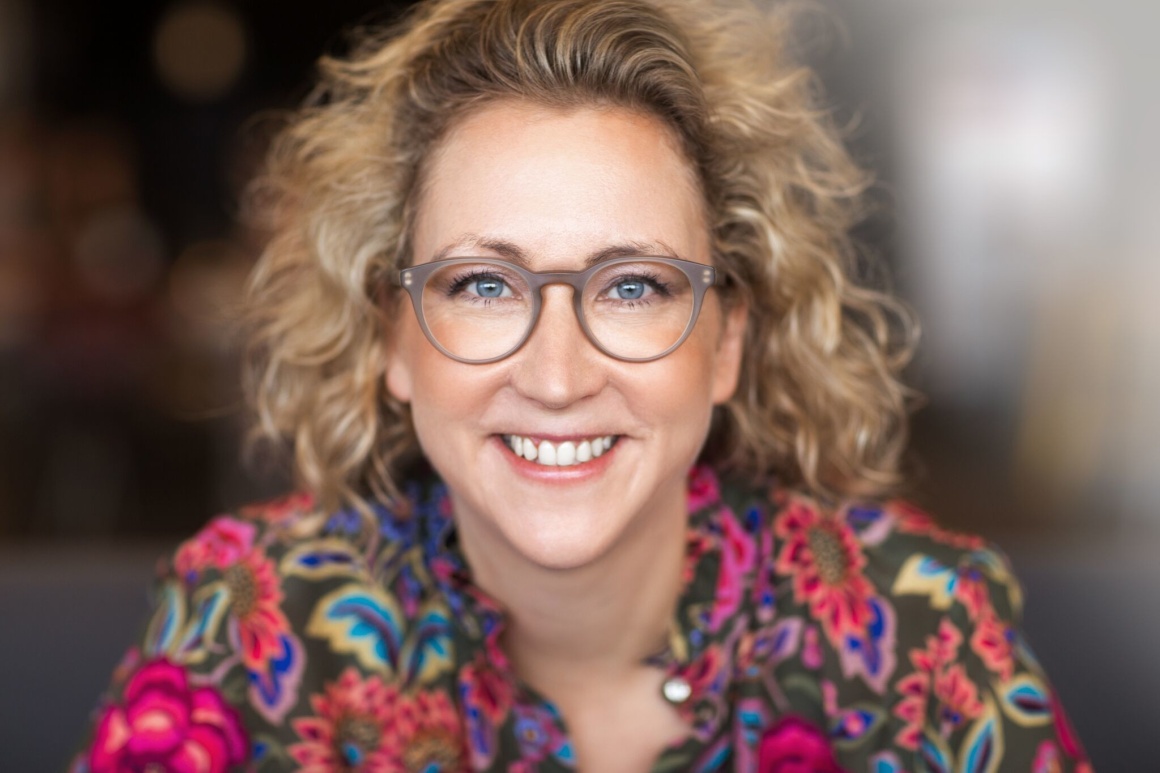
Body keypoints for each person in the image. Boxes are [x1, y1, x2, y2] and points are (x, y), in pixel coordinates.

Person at [71, 0, 1092, 770]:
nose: (556, 375)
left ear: (726, 336)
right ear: (393, 336)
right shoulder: (246, 627)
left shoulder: (921, 631)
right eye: (480, 281)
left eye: (634, 284)